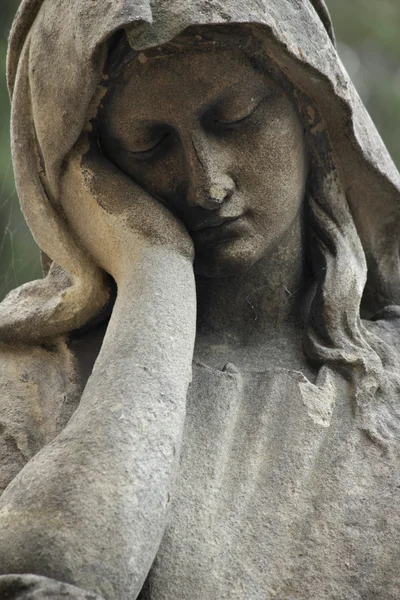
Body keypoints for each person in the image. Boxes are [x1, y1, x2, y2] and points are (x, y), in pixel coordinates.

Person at [0, 0, 400, 598]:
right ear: (90, 171)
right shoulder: (27, 384)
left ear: (309, 111)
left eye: (235, 118)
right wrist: (154, 273)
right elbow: (49, 574)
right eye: (147, 145)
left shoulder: (387, 390)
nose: (206, 183)